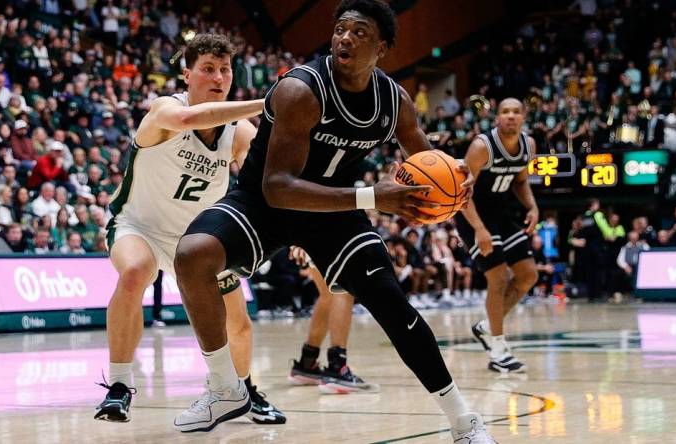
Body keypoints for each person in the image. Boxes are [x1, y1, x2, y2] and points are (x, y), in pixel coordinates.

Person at [173, 2, 495, 441]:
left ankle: (464, 421)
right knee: (193, 254)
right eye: (340, 29)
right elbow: (277, 187)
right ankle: (226, 388)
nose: (344, 37)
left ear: (381, 48)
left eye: (359, 33)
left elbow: (428, 167)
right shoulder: (300, 90)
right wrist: (372, 197)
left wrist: (457, 189)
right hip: (264, 202)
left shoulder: (394, 101)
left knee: (391, 303)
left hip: (334, 212)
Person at [94, 34, 285, 426]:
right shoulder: (165, 108)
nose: (218, 77)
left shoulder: (240, 130)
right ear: (187, 75)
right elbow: (187, 121)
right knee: (134, 273)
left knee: (239, 321)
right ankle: (118, 385)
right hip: (140, 225)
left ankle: (244, 389)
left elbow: (261, 175)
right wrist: (267, 104)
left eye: (225, 70)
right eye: (208, 69)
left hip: (198, 241)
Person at [457, 97, 539, 374]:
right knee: (499, 278)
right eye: (506, 112)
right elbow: (463, 192)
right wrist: (479, 229)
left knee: (528, 276)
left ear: (524, 117)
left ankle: (486, 327)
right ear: (497, 118)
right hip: (472, 214)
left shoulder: (529, 145)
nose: (511, 116)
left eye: (517, 112)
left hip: (501, 214)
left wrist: (532, 207)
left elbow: (521, 180)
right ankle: (498, 351)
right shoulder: (482, 147)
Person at [287, 246, 373, 393]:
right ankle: (338, 368)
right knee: (343, 289)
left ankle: (307, 362)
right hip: (329, 230)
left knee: (328, 294)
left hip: (310, 232)